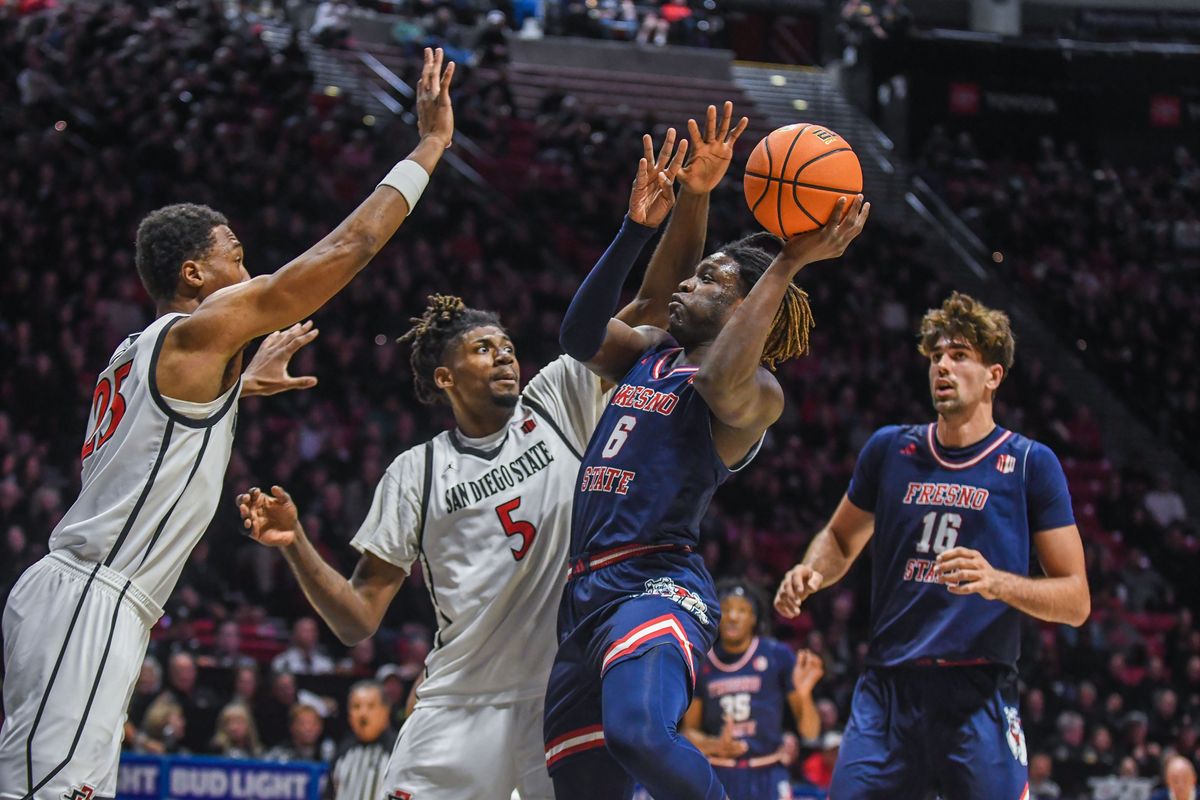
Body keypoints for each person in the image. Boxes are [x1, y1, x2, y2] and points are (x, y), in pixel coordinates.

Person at [239, 103, 752, 800]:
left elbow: (659, 301)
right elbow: (358, 619)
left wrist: (692, 201)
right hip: (455, 705)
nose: (506, 354)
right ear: (446, 378)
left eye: (508, 344)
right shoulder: (413, 472)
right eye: (485, 349)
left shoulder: (557, 402)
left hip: (557, 686)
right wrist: (296, 541)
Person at [0, 47, 456, 800]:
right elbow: (349, 248)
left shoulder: (143, 355)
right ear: (195, 276)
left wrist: (236, 389)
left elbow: (152, 449)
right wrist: (430, 147)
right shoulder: (192, 333)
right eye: (236, 259)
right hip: (92, 595)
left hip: (88, 594)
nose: (248, 275)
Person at [544, 108, 869, 797]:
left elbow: (723, 375)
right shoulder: (649, 353)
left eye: (712, 280)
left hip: (654, 585)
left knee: (638, 731)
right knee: (581, 786)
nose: (689, 283)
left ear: (748, 307)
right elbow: (576, 336)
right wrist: (641, 227)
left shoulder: (758, 393)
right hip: (582, 595)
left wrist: (787, 258)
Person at [774, 291, 1091, 799]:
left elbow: (1076, 601)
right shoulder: (890, 448)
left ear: (993, 375)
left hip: (977, 689)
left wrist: (997, 582)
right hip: (887, 691)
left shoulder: (1031, 464)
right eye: (936, 355)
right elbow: (837, 537)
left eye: (960, 354)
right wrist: (813, 570)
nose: (942, 365)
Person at [682, 580, 824, 800]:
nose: (733, 617)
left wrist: (805, 697)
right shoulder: (702, 662)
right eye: (726, 609)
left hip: (768, 772)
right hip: (719, 772)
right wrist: (714, 744)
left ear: (754, 619)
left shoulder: (777, 655)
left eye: (742, 610)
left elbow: (811, 733)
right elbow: (687, 734)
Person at [328, 681, 397, 800]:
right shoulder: (343, 750)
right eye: (356, 707)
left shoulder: (397, 749)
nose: (363, 714)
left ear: (385, 710)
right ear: (349, 714)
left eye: (371, 706)